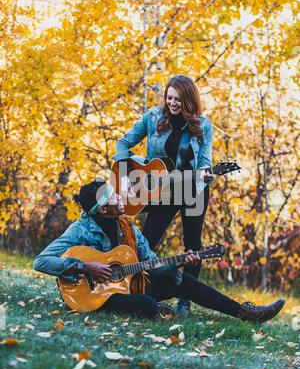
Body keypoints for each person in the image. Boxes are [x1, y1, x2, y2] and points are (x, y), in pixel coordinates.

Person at [34, 180, 285, 323]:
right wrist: (84, 266)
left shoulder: (127, 228)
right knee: (145, 304)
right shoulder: (79, 230)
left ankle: (245, 312)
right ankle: (153, 308)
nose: (120, 196)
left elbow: (152, 263)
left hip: (131, 283)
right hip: (94, 295)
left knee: (184, 282)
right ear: (101, 209)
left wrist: (178, 262)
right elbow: (41, 261)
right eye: (112, 196)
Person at [114, 75, 214, 315]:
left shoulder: (204, 125)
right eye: (169, 98)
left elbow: (205, 162)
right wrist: (126, 174)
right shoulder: (152, 118)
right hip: (163, 190)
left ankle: (185, 300)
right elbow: (123, 143)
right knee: (146, 241)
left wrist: (206, 174)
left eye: (178, 99)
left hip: (193, 190)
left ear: (189, 100)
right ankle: (131, 289)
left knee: (192, 245)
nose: (172, 103)